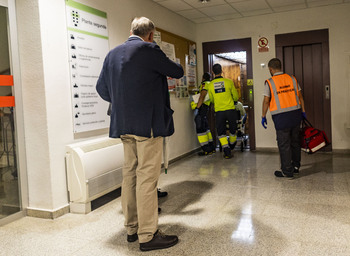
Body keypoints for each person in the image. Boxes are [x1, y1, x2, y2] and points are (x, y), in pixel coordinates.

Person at [96, 17, 183, 251]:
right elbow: (178, 71)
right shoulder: (150, 50)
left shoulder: (112, 54)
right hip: (148, 126)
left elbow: (101, 88)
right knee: (147, 177)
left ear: (131, 31)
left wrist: (123, 103)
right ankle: (148, 235)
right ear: (151, 34)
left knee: (130, 175)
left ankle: (132, 229)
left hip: (122, 125)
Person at [261, 58, 305, 178]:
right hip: (296, 115)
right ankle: (296, 167)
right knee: (295, 141)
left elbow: (266, 101)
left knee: (284, 144)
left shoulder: (270, 82)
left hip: (281, 117)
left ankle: (287, 171)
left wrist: (263, 116)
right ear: (280, 67)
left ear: (270, 69)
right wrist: (303, 112)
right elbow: (300, 97)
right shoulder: (292, 79)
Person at [207, 64, 239, 159]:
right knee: (233, 129)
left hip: (219, 112)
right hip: (230, 110)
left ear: (213, 72)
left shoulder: (210, 85)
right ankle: (232, 144)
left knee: (221, 132)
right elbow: (235, 96)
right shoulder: (228, 82)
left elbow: (211, 99)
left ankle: (226, 150)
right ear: (222, 71)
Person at [190, 72, 216, 156]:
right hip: (206, 107)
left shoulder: (205, 84)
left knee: (200, 129)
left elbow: (202, 96)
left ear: (203, 78)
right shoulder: (211, 84)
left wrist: (197, 108)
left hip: (202, 107)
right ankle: (211, 148)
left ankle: (206, 149)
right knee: (206, 128)